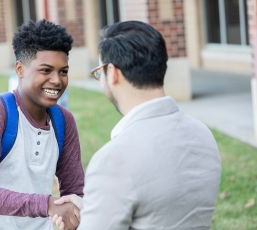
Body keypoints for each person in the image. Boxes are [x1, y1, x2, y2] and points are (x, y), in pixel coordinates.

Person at [54, 21, 221, 230]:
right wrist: (95, 207)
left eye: (99, 73)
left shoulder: (114, 160)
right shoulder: (203, 134)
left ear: (113, 73)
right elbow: (161, 205)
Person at [0, 20, 84, 230]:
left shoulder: (64, 121)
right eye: (46, 70)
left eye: (63, 72)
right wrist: (48, 205)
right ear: (20, 68)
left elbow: (74, 190)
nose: (57, 80)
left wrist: (73, 213)